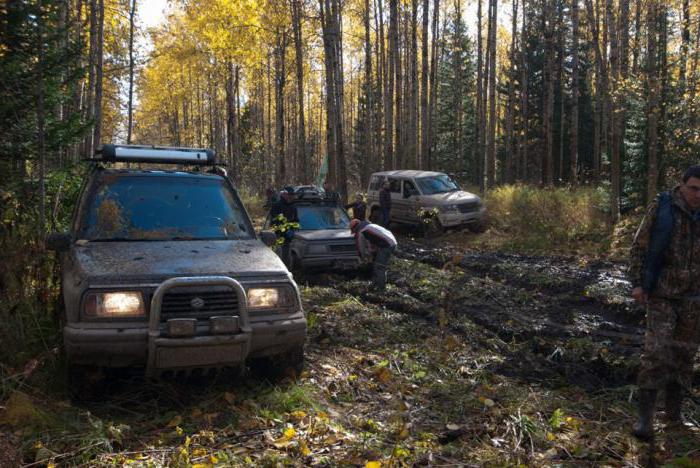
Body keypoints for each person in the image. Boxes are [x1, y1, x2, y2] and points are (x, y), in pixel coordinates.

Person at [628, 164, 700, 440]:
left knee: (684, 356)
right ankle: (644, 419)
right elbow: (639, 247)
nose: (697, 195)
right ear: (682, 185)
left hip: (694, 298)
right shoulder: (663, 208)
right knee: (657, 352)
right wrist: (637, 283)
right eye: (693, 188)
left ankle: (674, 415)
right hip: (662, 294)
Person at [350, 218, 397, 291]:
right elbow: (373, 241)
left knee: (379, 267)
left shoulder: (361, 231)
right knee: (376, 264)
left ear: (355, 228)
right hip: (391, 242)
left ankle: (381, 289)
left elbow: (360, 246)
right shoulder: (369, 226)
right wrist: (371, 252)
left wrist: (362, 257)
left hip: (387, 245)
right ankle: (375, 284)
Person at [270, 187, 299, 267]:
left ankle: (288, 274)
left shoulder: (293, 207)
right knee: (278, 258)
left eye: (292, 195)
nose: (291, 197)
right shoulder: (276, 206)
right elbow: (274, 221)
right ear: (283, 194)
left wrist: (293, 229)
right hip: (278, 237)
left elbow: (296, 220)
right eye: (289, 195)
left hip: (288, 239)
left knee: (287, 260)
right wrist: (285, 230)